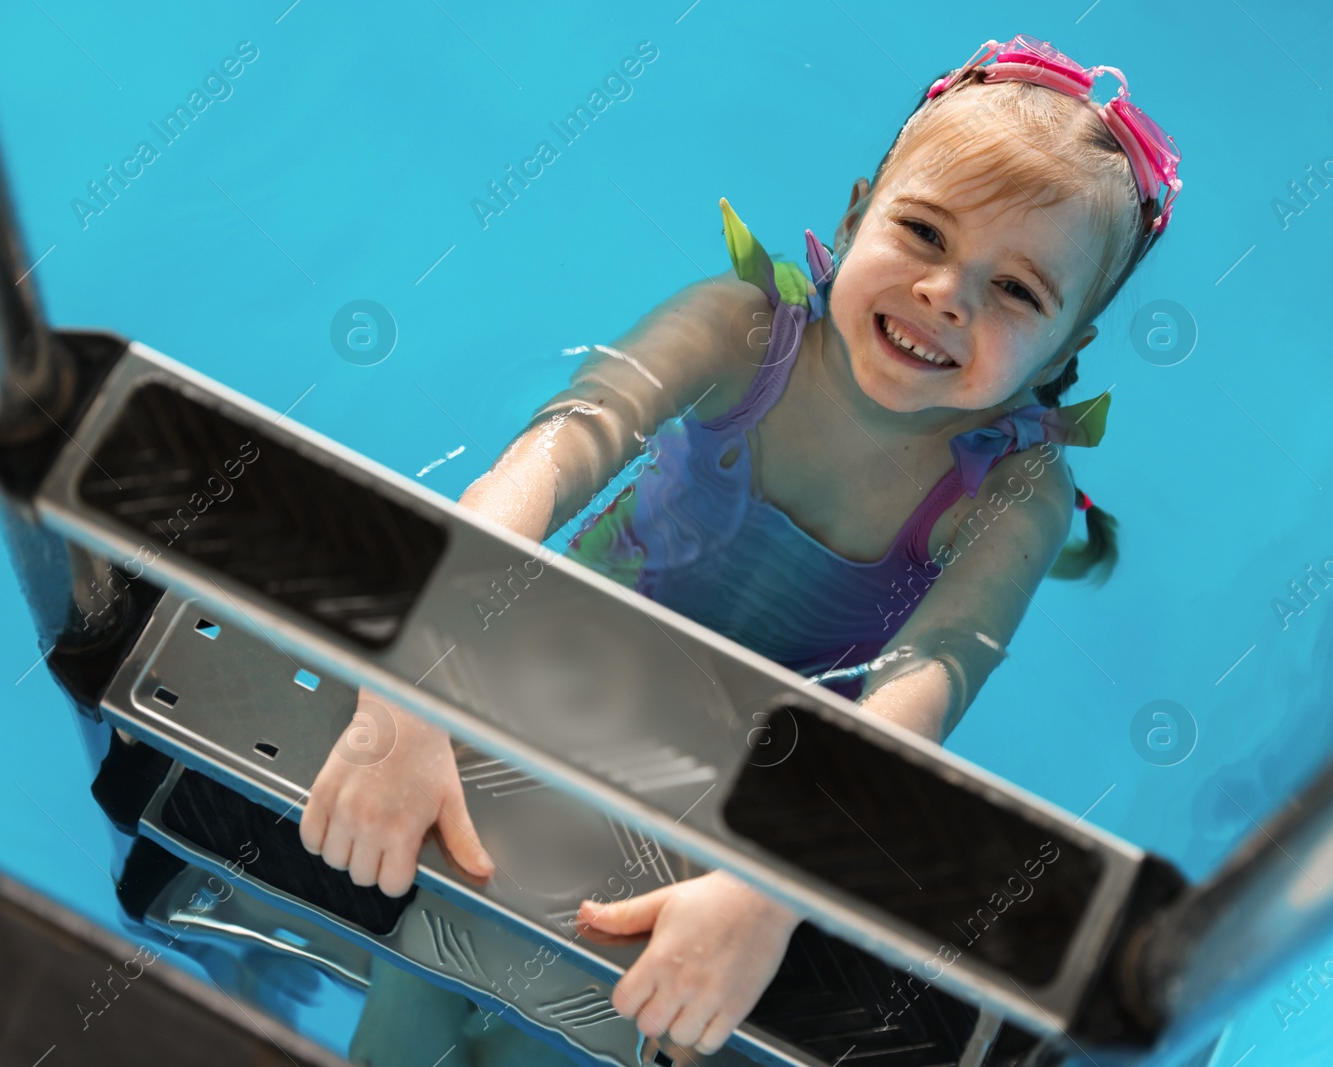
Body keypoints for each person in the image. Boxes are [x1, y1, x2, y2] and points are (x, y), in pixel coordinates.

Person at [303, 34, 1182, 1058]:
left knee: (582, 1029)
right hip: (544, 683)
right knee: (421, 962)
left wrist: (771, 884)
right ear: (857, 217)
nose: (949, 294)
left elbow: (921, 689)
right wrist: (409, 689)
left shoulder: (1010, 491)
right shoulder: (738, 332)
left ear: (1065, 349)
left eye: (1019, 291)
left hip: (744, 789)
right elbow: (538, 469)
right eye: (923, 232)